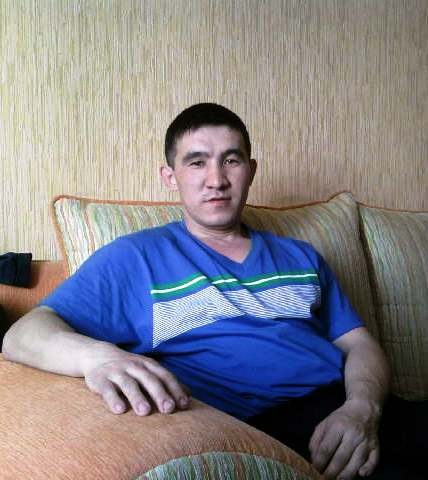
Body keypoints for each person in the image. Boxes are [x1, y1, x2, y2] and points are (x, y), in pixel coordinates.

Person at [2, 104, 424, 480]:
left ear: (251, 170)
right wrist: (99, 358)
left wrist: (362, 408)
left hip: (357, 406)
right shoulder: (136, 257)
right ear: (170, 177)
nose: (216, 179)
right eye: (197, 162)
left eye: (231, 160)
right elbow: (23, 335)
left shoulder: (301, 256)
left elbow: (359, 344)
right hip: (273, 426)